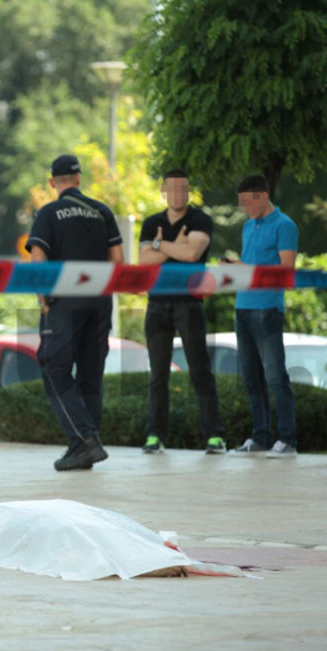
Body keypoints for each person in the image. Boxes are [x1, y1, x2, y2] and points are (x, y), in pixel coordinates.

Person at [25, 154, 124, 471]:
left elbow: (38, 257)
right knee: (91, 373)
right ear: (79, 179)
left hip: (63, 303)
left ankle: (84, 440)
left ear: (53, 182)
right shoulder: (102, 211)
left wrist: (43, 297)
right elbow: (118, 260)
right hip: (99, 302)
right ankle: (82, 448)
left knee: (53, 366)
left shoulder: (49, 212)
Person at [137, 170, 227, 454]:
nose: (178, 194)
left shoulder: (201, 220)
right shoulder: (152, 222)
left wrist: (159, 245)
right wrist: (175, 246)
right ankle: (155, 436)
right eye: (173, 189)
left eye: (183, 189)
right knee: (157, 375)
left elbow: (191, 256)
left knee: (199, 370)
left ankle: (215, 436)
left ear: (189, 191)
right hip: (157, 305)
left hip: (189, 304)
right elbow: (143, 261)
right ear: (164, 190)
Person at [229, 174, 298, 458]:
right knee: (250, 376)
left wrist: (251, 271)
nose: (245, 209)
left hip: (267, 308)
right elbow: (253, 265)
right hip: (243, 307)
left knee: (274, 376)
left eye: (247, 203)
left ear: (261, 196)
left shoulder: (285, 225)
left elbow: (286, 268)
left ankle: (288, 439)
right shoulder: (248, 226)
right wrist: (237, 267)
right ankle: (260, 437)